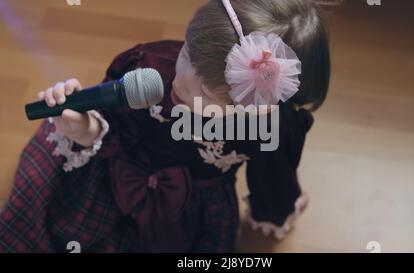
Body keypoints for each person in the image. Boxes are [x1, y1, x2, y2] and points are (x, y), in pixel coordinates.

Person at [0, 0, 330, 252]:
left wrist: (274, 208)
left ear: (255, 107)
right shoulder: (150, 66)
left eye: (205, 92)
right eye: (188, 54)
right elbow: (116, 123)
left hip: (195, 203)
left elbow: (272, 176)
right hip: (118, 166)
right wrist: (84, 128)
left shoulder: (267, 125)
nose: (182, 81)